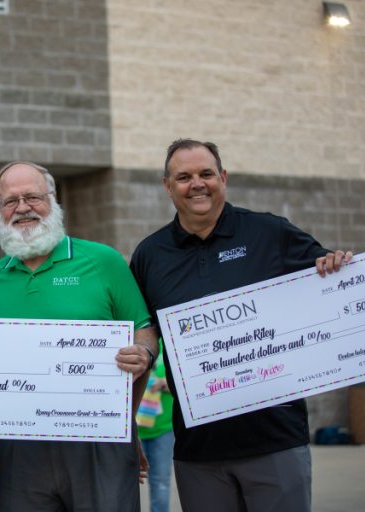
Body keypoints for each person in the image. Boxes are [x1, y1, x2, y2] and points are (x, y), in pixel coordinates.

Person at [130, 139, 352, 512]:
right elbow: (143, 331)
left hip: (276, 440)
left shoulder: (270, 233)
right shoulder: (150, 255)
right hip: (198, 452)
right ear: (168, 186)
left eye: (206, 173)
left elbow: (327, 287)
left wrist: (337, 266)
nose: (196, 184)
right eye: (183, 177)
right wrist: (129, 418)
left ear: (223, 178)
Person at [0, 161, 159, 512]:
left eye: (32, 196)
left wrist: (142, 352)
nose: (22, 208)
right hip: (20, 444)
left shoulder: (103, 261)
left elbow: (145, 331)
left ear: (52, 200)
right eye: (10, 201)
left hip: (98, 437)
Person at [136, 341, 174, 512]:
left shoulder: (168, 343)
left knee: (160, 484)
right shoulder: (131, 340)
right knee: (125, 485)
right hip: (132, 433)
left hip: (163, 430)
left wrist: (167, 383)